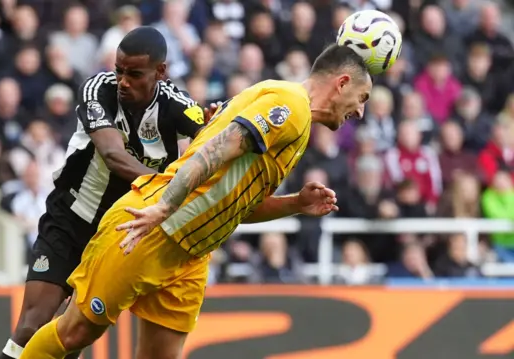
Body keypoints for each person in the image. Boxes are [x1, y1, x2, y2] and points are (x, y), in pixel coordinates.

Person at [20, 43, 372, 359]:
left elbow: (235, 206)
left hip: (191, 252)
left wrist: (294, 204)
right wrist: (163, 207)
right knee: (76, 331)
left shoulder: (298, 126)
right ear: (341, 83)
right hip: (154, 227)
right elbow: (215, 151)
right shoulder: (290, 105)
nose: (360, 112)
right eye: (362, 98)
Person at [0, 26, 210, 359]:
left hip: (117, 235)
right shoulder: (99, 89)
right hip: (69, 220)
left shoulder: (179, 106)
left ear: (160, 71)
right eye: (119, 70)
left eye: (134, 73)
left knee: (72, 339)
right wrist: (168, 186)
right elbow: (113, 156)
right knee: (32, 325)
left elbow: (217, 142)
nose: (123, 80)